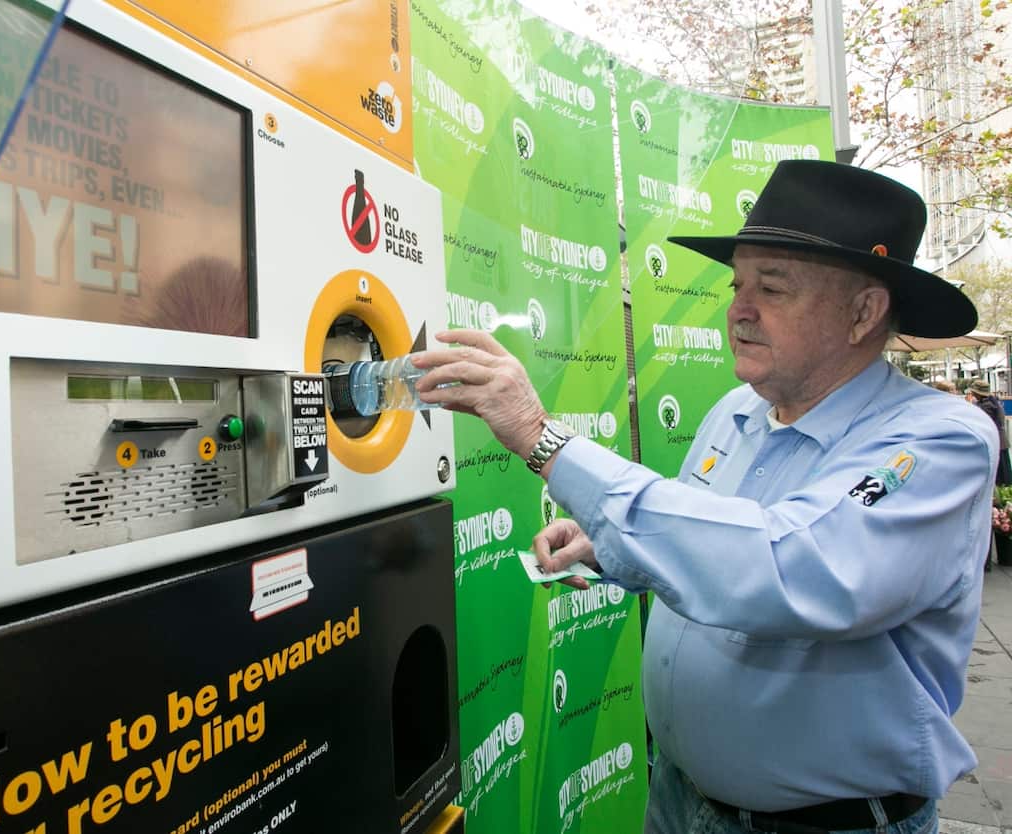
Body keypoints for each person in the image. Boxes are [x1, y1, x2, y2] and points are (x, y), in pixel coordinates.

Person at [414, 160, 997, 834]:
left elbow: (786, 569)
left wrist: (545, 441)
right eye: (737, 284)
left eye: (772, 288)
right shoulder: (735, 411)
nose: (739, 309)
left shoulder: (938, 439)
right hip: (679, 799)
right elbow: (708, 547)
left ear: (863, 312)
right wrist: (608, 551)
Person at [965, 379, 1010, 485]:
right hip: (1000, 441)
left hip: (995, 442)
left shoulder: (987, 406)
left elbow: (978, 422)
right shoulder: (992, 401)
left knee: (999, 476)